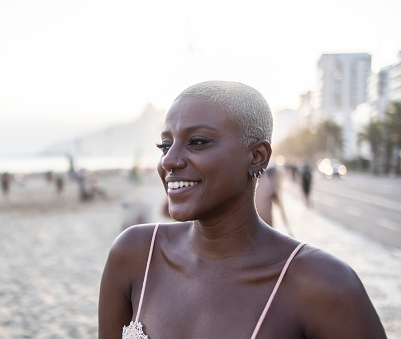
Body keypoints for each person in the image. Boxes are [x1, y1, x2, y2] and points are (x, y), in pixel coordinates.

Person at [98, 81, 386, 339]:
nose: (169, 161)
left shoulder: (323, 284)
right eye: (165, 145)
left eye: (197, 142)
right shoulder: (135, 255)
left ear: (257, 156)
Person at [255, 165, 292, 236]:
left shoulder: (259, 182)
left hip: (263, 227)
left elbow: (281, 209)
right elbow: (281, 210)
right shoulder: (268, 186)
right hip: (264, 227)